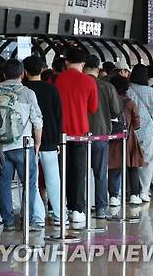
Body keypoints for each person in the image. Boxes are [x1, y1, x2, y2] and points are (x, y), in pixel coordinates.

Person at [0, 59, 45, 230]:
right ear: (22, 74)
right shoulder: (27, 93)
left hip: (2, 147)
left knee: (4, 185)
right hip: (24, 145)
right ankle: (28, 221)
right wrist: (37, 143)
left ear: (4, 74)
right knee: (29, 183)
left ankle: (8, 222)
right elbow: (37, 121)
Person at [55, 48, 98, 223]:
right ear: (83, 64)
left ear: (66, 62)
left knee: (63, 171)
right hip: (81, 132)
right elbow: (93, 108)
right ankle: (77, 209)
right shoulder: (88, 81)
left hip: (61, 133)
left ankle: (62, 206)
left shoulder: (58, 80)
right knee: (79, 172)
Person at [22, 56, 67, 226]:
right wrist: (57, 140)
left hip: (27, 142)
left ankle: (38, 217)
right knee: (53, 180)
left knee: (31, 181)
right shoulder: (51, 90)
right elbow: (58, 117)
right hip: (49, 141)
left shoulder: (23, 90)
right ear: (41, 70)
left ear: (24, 72)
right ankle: (59, 215)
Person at [83, 55, 121, 219]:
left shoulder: (80, 85)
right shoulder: (107, 87)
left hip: (80, 134)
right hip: (101, 133)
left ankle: (80, 208)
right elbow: (116, 110)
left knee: (80, 173)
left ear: (83, 68)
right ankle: (100, 208)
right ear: (98, 70)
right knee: (100, 173)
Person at [127, 64, 153, 202]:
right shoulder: (149, 90)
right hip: (148, 130)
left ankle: (132, 191)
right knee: (147, 162)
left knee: (131, 161)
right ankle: (144, 191)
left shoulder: (128, 89)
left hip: (132, 130)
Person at [108, 75, 143, 205]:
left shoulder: (108, 101)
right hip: (128, 139)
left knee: (113, 167)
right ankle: (134, 194)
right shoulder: (130, 102)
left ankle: (113, 196)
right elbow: (136, 124)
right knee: (132, 167)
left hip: (112, 138)